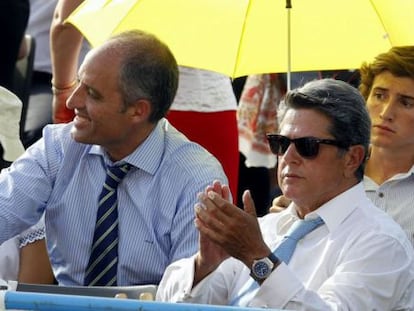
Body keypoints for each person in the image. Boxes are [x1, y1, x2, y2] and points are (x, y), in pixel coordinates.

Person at [156, 78, 414, 309]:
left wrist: (259, 259)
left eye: (307, 146)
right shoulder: (265, 229)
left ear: (352, 158)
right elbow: (167, 301)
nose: (288, 158)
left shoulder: (381, 242)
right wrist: (205, 264)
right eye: (281, 143)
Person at [0, 29, 228, 286]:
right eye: (78, 84)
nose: (72, 101)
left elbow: (191, 294)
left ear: (138, 111)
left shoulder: (197, 180)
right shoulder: (59, 147)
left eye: (92, 94)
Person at [50, 0, 239, 200]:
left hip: (121, 97)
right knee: (213, 216)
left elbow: (66, 21)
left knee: (95, 212)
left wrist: (63, 90)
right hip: (211, 102)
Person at [271, 46, 414, 246]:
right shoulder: (328, 168)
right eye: (379, 96)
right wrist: (292, 218)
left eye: (407, 103)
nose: (386, 113)